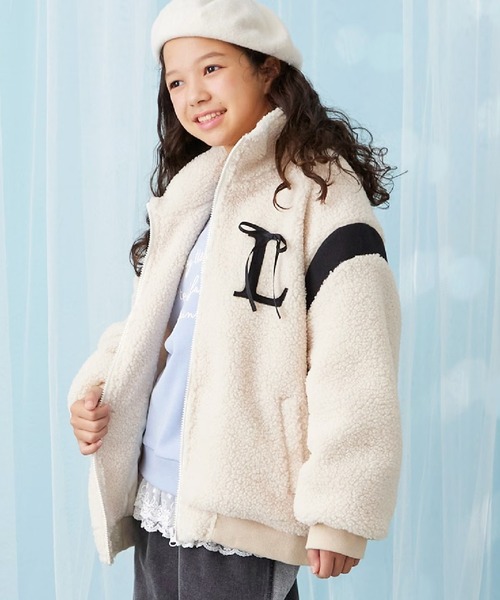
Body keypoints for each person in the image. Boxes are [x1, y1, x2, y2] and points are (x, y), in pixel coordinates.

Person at [68, 0, 402, 598]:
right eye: (176, 81)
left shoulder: (320, 191)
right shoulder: (193, 192)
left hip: (245, 499)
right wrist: (97, 387)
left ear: (267, 67)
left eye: (212, 68)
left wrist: (341, 505)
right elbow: (152, 324)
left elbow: (356, 356)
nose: (193, 93)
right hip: (158, 490)